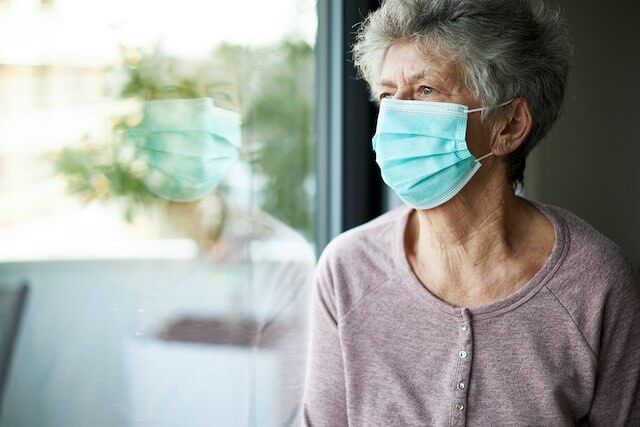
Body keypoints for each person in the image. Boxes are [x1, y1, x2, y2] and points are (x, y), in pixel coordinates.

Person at [301, 0, 640, 425]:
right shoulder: (347, 270)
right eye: (388, 95)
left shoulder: (596, 284)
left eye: (426, 90)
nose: (395, 116)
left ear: (510, 125)